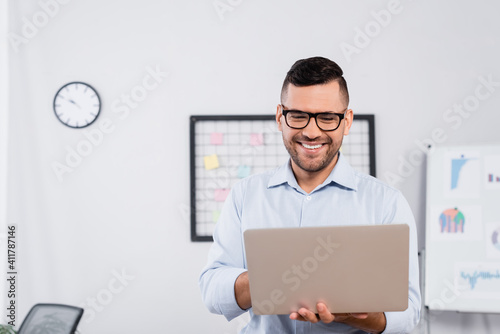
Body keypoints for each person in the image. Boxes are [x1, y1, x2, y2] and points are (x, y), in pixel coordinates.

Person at [199, 56, 421, 333]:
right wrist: (273, 278)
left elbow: (409, 312)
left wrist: (354, 315)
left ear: (347, 121)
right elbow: (212, 289)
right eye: (298, 116)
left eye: (327, 118)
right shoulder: (245, 195)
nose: (311, 131)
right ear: (280, 117)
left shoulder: (386, 203)